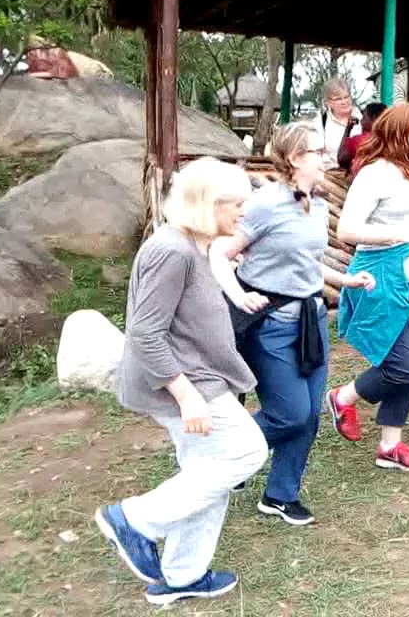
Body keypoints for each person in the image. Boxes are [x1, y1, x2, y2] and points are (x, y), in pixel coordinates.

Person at [94, 158, 267, 605]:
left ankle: (182, 576)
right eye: (236, 205)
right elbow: (145, 332)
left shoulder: (193, 245)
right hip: (186, 384)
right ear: (208, 204)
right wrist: (187, 396)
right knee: (247, 451)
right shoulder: (169, 250)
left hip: (198, 377)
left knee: (206, 474)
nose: (243, 213)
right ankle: (135, 520)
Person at [208, 123, 372, 526]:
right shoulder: (265, 203)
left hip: (311, 321)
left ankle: (280, 495)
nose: (326, 156)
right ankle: (220, 459)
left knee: (311, 413)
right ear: (296, 158)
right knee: (291, 413)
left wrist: (345, 280)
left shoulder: (314, 203)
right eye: (317, 151)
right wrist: (238, 294)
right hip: (270, 326)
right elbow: (218, 252)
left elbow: (304, 260)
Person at [325, 103, 409, 468]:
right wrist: (396, 234)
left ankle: (390, 445)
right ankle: (343, 398)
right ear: (402, 133)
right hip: (381, 279)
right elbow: (347, 230)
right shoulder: (375, 174)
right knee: (403, 366)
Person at [316, 78, 362, 169]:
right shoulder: (320, 123)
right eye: (338, 99)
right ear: (328, 102)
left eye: (346, 97)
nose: (344, 102)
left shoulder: (364, 118)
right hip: (333, 175)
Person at [338, 102, 387, 177]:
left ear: (373, 118)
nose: (361, 122)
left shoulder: (358, 141)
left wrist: (348, 129)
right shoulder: (392, 140)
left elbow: (341, 159)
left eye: (364, 117)